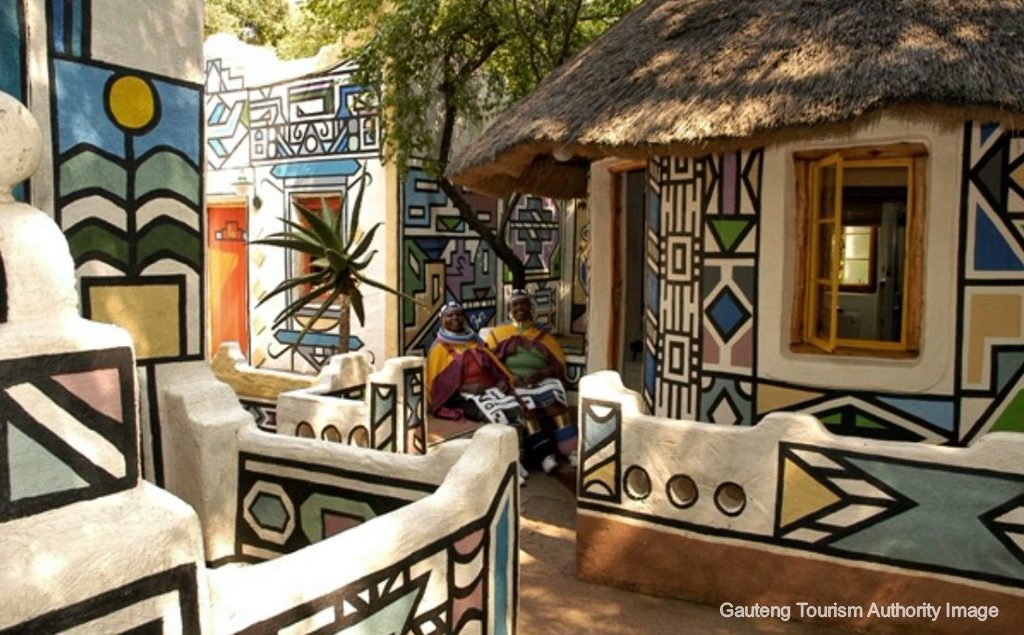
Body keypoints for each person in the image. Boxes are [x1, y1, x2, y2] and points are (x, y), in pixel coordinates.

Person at [486, 289, 577, 473]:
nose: (520, 307)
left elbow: (558, 364)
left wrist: (542, 374)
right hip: (514, 383)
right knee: (526, 410)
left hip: (541, 381)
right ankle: (545, 456)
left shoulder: (543, 335)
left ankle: (571, 451)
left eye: (524, 303)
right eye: (515, 304)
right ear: (509, 309)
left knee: (555, 405)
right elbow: (488, 363)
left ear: (530, 307)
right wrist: (503, 379)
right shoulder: (497, 334)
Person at [426, 301, 522, 425]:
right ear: (441, 320)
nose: (455, 318)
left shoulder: (475, 341)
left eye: (459, 315)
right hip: (462, 397)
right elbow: (437, 387)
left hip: (490, 390)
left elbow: (494, 364)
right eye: (449, 316)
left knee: (518, 408)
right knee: (494, 416)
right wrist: (464, 388)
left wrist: (501, 381)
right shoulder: (439, 348)